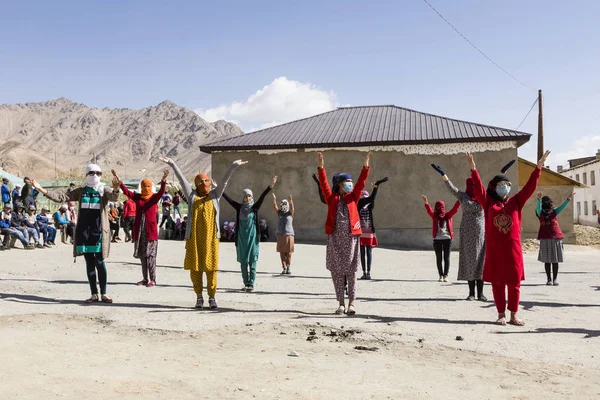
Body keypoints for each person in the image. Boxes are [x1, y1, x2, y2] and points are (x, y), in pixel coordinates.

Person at [467, 150, 550, 326]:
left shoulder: (516, 201)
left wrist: (538, 168)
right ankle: (500, 315)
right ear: (494, 187)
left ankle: (514, 315)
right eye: (501, 184)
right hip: (495, 250)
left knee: (514, 283)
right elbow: (480, 188)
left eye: (507, 184)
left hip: (513, 250)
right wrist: (473, 169)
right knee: (497, 283)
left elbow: (529, 187)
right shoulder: (488, 202)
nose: (505, 187)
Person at [161, 156, 246, 309]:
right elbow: (182, 181)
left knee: (211, 268)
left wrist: (232, 166)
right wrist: (173, 164)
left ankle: (212, 297)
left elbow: (224, 182)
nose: (205, 183)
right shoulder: (192, 196)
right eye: (201, 181)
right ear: (196, 184)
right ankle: (199, 297)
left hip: (211, 239)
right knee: (196, 268)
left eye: (206, 180)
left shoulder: (215, 195)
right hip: (194, 239)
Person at [32, 164, 120, 303]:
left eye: (98, 173)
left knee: (99, 261)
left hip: (99, 232)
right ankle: (94, 294)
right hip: (84, 233)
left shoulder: (104, 190)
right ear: (86, 175)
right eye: (91, 173)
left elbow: (114, 197)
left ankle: (104, 293)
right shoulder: (81, 191)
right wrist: (40, 188)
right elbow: (60, 197)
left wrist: (116, 188)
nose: (95, 175)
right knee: (89, 263)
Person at [317, 151, 371, 315]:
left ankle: (352, 303)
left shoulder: (353, 197)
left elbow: (362, 183)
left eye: (351, 181)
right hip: (334, 240)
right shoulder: (331, 198)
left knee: (351, 272)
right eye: (347, 182)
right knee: (337, 273)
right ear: (340, 184)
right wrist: (321, 166)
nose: (351, 184)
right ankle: (341, 303)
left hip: (351, 239)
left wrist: (366, 165)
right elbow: (324, 184)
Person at [432, 164, 487, 300]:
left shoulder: (483, 197)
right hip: (467, 233)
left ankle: (480, 293)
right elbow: (451, 188)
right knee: (469, 261)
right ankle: (471, 293)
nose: (473, 188)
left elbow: (493, 189)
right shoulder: (463, 197)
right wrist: (443, 175)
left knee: (481, 261)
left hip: (481, 234)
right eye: (471, 185)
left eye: (475, 185)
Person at [223, 176, 278, 292]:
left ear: (251, 197)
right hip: (242, 239)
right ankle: (245, 282)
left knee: (252, 261)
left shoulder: (254, 208)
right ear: (242, 198)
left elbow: (262, 197)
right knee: (243, 262)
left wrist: (270, 187)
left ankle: (251, 283)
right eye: (245, 196)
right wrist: (218, 188)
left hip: (252, 239)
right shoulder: (239, 208)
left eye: (249, 196)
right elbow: (229, 199)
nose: (247, 198)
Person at [115, 169, 168, 287]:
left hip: (151, 232)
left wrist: (163, 180)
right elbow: (127, 192)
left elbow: (161, 192)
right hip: (139, 232)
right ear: (141, 187)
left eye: (149, 186)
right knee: (143, 256)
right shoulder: (137, 197)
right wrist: (120, 183)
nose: (147, 188)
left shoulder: (154, 198)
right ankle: (145, 279)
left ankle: (153, 279)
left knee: (151, 256)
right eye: (144, 186)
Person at [536, 191, 574, 286]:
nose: (549, 203)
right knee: (547, 260)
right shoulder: (540, 213)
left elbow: (562, 207)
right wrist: (539, 200)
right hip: (545, 239)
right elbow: (538, 208)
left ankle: (555, 279)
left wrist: (568, 199)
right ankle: (549, 279)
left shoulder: (554, 212)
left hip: (555, 239)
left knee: (555, 260)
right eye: (547, 202)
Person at [422, 195, 460, 282]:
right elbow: (429, 211)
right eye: (438, 207)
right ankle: (440, 275)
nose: (440, 208)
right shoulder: (435, 216)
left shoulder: (448, 215)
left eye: (442, 206)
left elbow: (455, 209)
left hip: (447, 239)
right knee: (439, 258)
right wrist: (426, 202)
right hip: (437, 240)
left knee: (446, 258)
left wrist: (459, 200)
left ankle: (446, 275)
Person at [357, 177, 388, 280]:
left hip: (365, 231)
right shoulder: (360, 205)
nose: (364, 199)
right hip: (364, 232)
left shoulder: (368, 205)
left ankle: (367, 272)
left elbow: (372, 198)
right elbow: (371, 198)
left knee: (366, 252)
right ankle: (365, 272)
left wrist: (376, 186)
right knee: (364, 252)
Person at [273, 193, 295, 275]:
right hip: (280, 235)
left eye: (285, 204)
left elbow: (292, 208)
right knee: (282, 253)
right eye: (282, 204)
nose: (284, 206)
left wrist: (290, 201)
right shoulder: (280, 213)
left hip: (289, 235)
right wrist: (274, 199)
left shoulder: (290, 213)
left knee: (289, 253)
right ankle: (284, 267)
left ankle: (288, 267)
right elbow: (275, 208)